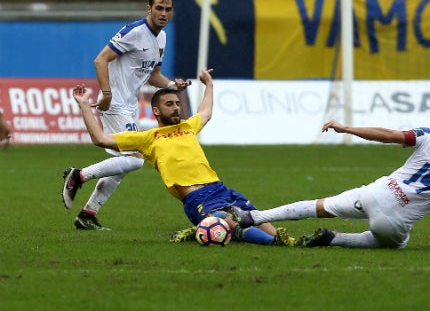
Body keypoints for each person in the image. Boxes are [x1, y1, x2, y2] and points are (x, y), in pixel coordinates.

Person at [69, 68, 295, 247]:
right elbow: (100, 138)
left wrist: (209, 85)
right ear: (156, 111)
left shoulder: (188, 126)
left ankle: (286, 241)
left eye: (177, 103)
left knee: (255, 216)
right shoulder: (146, 138)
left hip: (220, 188)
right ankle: (273, 242)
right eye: (169, 105)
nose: (176, 108)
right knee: (228, 222)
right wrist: (84, 106)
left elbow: (205, 113)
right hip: (197, 199)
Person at [233, 104, 430, 250]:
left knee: (317, 206)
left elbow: (388, 135)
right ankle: (335, 239)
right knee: (399, 244)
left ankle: (254, 216)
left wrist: (346, 128)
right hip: (393, 222)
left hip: (375, 193)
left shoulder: (429, 136)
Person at [61, 0, 191, 230]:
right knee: (135, 159)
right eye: (159, 8)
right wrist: (107, 93)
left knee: (123, 165)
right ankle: (78, 176)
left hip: (129, 106)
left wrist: (174, 85)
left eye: (168, 9)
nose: (163, 13)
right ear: (149, 9)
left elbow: (153, 76)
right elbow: (100, 60)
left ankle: (88, 214)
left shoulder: (161, 38)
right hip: (114, 102)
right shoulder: (134, 31)